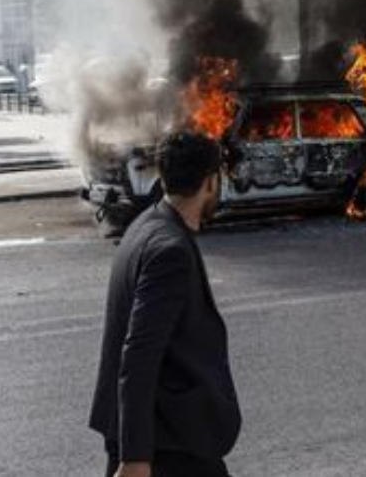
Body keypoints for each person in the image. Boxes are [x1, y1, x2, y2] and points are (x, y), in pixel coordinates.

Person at [89, 132, 242, 477]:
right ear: (210, 182)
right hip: (168, 444)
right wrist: (136, 457)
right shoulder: (169, 250)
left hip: (163, 434)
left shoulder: (145, 225)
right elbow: (139, 354)